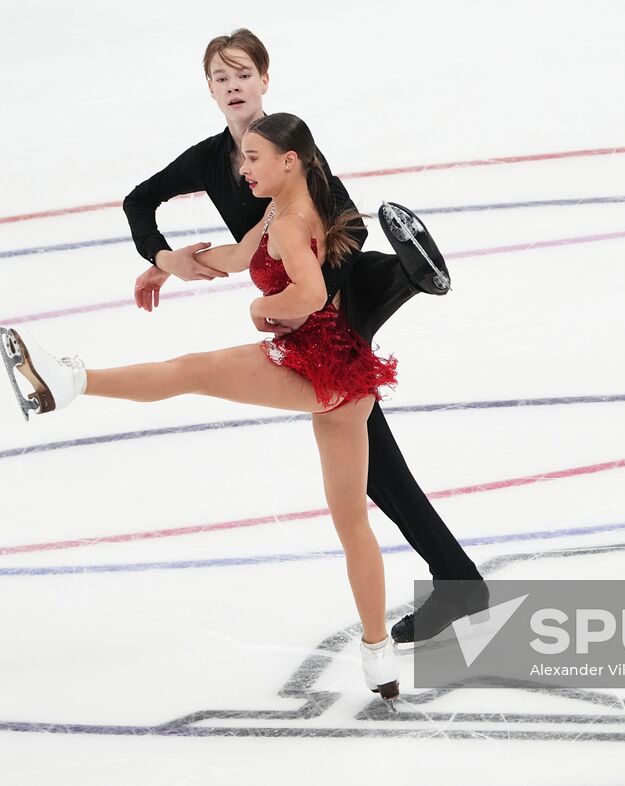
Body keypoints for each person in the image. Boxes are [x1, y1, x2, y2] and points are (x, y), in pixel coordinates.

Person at [0, 113, 401, 700]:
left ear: (289, 161)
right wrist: (172, 264)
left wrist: (261, 314)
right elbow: (240, 260)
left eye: (255, 158)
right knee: (352, 523)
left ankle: (67, 383)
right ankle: (377, 656)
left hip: (315, 364)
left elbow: (311, 293)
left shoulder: (290, 222)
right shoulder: (282, 207)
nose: (243, 168)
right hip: (348, 381)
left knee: (190, 371)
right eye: (244, 158)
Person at [123, 29, 488, 648]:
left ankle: (400, 278)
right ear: (209, 90)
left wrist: (313, 306)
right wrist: (167, 257)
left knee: (371, 466)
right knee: (377, 470)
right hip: (294, 310)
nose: (233, 86)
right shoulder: (211, 161)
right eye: (220, 77)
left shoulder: (289, 146)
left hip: (326, 313)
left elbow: (346, 224)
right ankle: (457, 577)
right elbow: (139, 201)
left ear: (265, 79)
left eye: (243, 74)